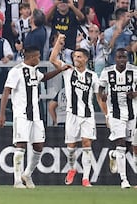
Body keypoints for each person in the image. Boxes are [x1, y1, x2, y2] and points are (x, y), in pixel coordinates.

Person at [0, 46, 63, 189]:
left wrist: (60, 70)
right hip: (21, 115)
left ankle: (27, 174)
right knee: (20, 145)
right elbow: (6, 91)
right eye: (38, 56)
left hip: (36, 116)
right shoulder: (16, 71)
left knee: (38, 146)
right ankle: (17, 181)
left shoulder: (34, 70)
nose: (39, 59)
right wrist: (2, 113)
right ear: (31, 57)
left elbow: (44, 78)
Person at [50, 34, 104, 187]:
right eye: (74, 56)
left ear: (85, 59)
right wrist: (59, 43)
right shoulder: (68, 71)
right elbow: (53, 59)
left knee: (87, 144)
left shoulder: (93, 76)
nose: (76, 59)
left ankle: (86, 178)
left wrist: (106, 115)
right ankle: (72, 168)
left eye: (79, 56)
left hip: (88, 115)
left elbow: (99, 97)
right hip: (71, 114)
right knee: (71, 147)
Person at [98, 48, 137, 189]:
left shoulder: (134, 71)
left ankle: (113, 154)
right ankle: (124, 180)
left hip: (132, 113)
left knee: (127, 145)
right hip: (115, 114)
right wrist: (102, 97)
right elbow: (100, 88)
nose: (121, 60)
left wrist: (135, 93)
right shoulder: (107, 72)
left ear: (128, 59)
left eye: (124, 57)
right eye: (119, 57)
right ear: (115, 58)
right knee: (120, 144)